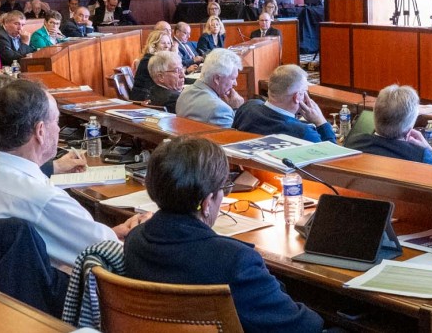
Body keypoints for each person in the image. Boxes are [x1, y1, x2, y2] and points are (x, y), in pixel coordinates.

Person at [120, 136, 324, 333]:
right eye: (224, 190)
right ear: (207, 202)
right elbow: (301, 326)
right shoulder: (235, 260)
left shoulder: (135, 239)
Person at [0, 78, 144, 267]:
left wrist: (109, 233)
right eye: (56, 121)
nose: (57, 128)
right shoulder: (45, 201)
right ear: (40, 131)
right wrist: (142, 233)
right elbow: (115, 256)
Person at [343, 85, 432, 166]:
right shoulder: (421, 156)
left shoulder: (352, 143)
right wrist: (430, 149)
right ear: (409, 129)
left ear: (374, 116)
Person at [233, 65, 336, 143]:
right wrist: (321, 122)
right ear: (297, 97)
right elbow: (334, 162)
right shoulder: (304, 132)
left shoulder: (247, 108)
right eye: (305, 92)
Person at [177, 49, 246, 126]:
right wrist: (237, 110)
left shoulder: (185, 93)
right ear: (217, 79)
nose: (235, 84)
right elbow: (236, 137)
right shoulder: (220, 110)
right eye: (233, 79)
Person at [128, 31, 174, 101]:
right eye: (163, 43)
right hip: (144, 98)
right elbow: (166, 80)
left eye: (168, 43)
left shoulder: (160, 58)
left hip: (154, 94)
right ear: (154, 45)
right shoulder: (148, 60)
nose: (167, 46)